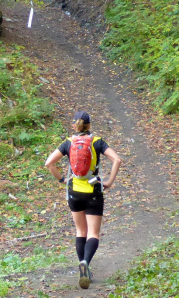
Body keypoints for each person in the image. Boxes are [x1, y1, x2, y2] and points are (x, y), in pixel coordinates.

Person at [44, 110, 122, 289]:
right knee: (93, 233)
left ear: (74, 125)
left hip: (74, 191)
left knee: (80, 231)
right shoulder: (97, 141)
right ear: (89, 125)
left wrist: (62, 180)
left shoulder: (68, 142)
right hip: (93, 190)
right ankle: (86, 262)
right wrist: (109, 182)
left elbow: (49, 163)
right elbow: (117, 160)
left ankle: (82, 267)